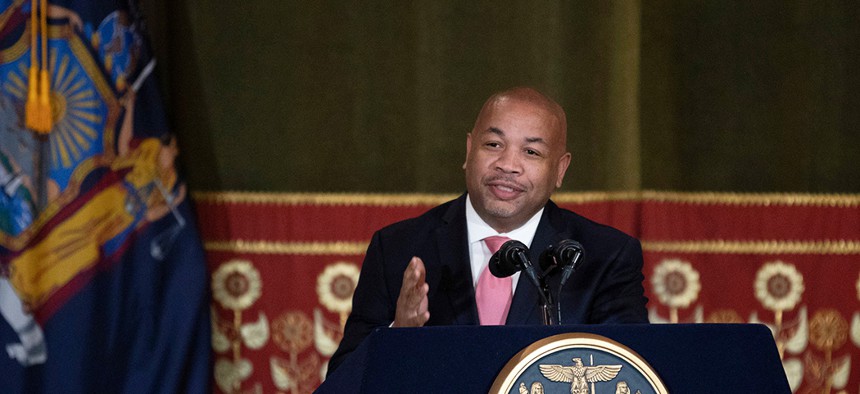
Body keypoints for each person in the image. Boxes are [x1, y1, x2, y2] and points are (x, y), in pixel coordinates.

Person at [327, 87, 648, 374]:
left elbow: (628, 376)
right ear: (469, 150)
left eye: (531, 152)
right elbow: (344, 379)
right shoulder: (398, 248)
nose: (508, 165)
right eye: (493, 144)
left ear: (560, 169)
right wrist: (397, 336)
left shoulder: (605, 257)